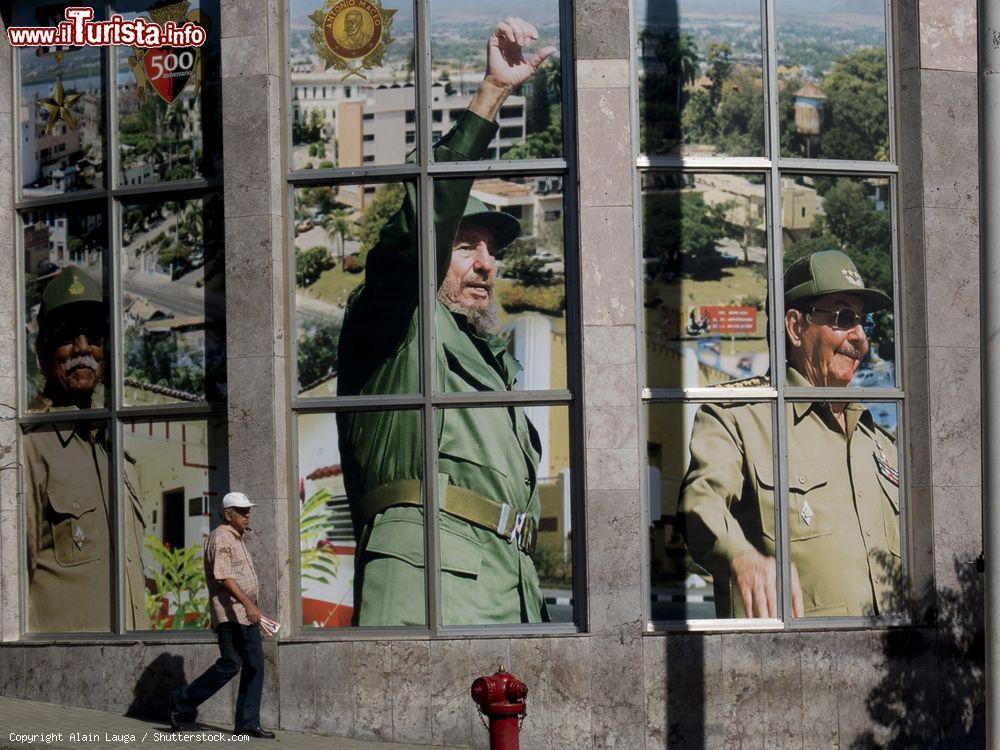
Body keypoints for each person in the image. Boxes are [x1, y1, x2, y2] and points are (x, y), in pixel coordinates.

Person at [336, 17, 556, 626]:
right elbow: (418, 224)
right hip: (428, 592)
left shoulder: (493, 359)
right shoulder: (396, 323)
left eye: (493, 249)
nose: (487, 264)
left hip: (509, 591)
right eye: (466, 246)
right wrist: (492, 93)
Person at [677, 250, 902, 618]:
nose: (860, 337)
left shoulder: (878, 443)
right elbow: (698, 504)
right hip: (787, 665)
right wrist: (742, 558)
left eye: (864, 321)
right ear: (796, 327)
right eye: (844, 317)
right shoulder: (739, 418)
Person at [23, 266, 149, 632]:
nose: (82, 348)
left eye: (92, 334)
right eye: (66, 335)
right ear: (42, 350)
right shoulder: (30, 449)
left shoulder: (114, 448)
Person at [168, 492, 274, 739]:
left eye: (248, 510)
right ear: (228, 514)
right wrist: (249, 604)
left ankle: (247, 724)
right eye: (242, 511)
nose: (247, 515)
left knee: (255, 666)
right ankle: (179, 701)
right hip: (231, 615)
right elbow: (224, 577)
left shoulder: (237, 538)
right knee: (230, 665)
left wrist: (251, 608)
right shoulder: (221, 538)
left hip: (245, 616)